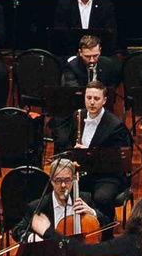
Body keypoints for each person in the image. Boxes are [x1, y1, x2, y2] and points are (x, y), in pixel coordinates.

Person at [51, 81, 133, 214]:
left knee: (101, 198)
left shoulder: (115, 126)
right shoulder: (78, 116)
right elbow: (69, 143)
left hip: (107, 176)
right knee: (60, 191)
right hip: (80, 171)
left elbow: (118, 162)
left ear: (104, 100)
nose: (92, 102)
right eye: (89, 98)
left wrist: (88, 153)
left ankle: (105, 228)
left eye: (96, 98)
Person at [51, 0, 119, 57]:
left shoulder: (105, 5)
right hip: (71, 54)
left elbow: (110, 35)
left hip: (97, 55)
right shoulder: (64, 5)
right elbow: (60, 35)